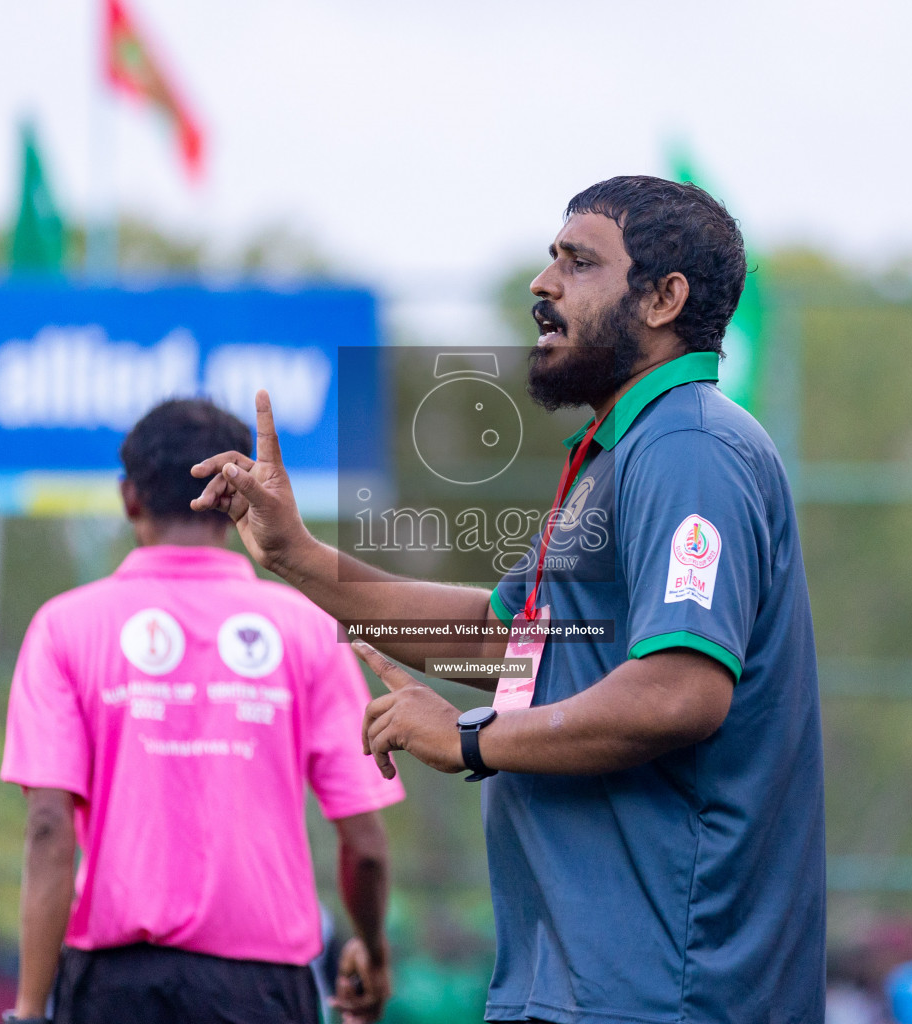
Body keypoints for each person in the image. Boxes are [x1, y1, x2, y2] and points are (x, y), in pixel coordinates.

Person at [192, 176, 826, 1022]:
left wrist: (471, 737)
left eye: (579, 262)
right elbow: (505, 647)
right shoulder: (619, 454)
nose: (543, 283)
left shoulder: (690, 448)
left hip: (666, 996)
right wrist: (296, 556)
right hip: (577, 988)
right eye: (550, 258)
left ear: (664, 299)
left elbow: (679, 693)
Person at [0, 398, 404, 1024]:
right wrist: (372, 952)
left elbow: (49, 829)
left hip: (112, 985)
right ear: (237, 496)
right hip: (265, 989)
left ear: (129, 497)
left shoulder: (64, 627)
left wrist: (29, 1009)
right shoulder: (306, 627)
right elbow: (366, 846)